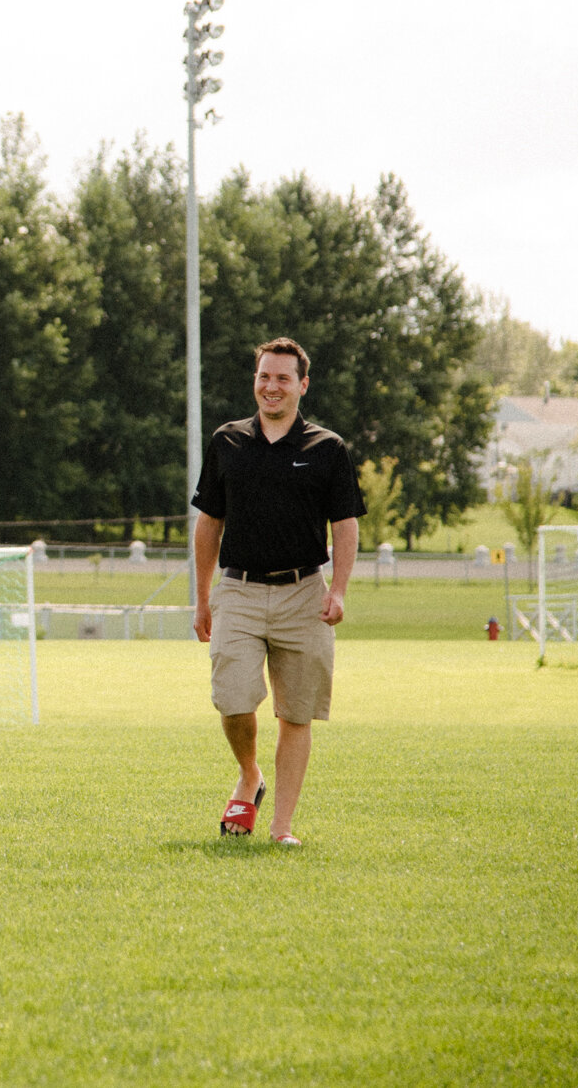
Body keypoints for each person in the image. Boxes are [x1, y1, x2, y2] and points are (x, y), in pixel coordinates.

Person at [192, 338, 363, 847]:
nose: (272, 386)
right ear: (256, 381)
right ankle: (249, 774)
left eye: (283, 378)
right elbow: (208, 524)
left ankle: (281, 828)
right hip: (238, 592)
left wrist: (339, 589)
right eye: (265, 376)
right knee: (233, 700)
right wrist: (202, 599)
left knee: (296, 713)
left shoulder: (327, 449)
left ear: (302, 385)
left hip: (304, 594)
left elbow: (346, 525)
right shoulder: (227, 441)